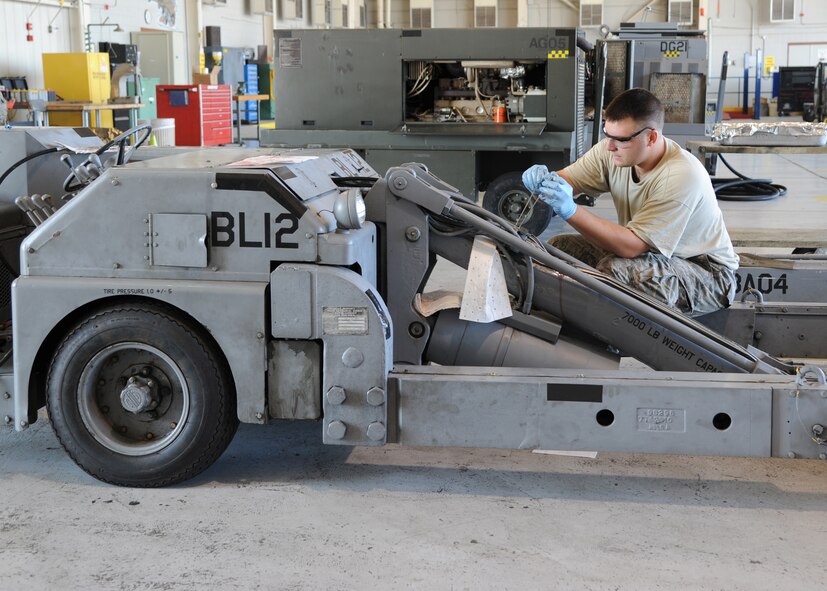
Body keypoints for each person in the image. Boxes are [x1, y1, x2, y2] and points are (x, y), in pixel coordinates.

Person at [522, 88, 738, 316]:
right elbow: (567, 181)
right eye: (607, 135)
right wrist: (543, 182)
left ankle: (597, 343)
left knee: (618, 273)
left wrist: (570, 210)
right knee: (559, 249)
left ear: (651, 137)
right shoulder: (612, 152)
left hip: (706, 274)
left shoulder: (681, 175)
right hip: (655, 257)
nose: (610, 146)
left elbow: (631, 246)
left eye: (621, 140)